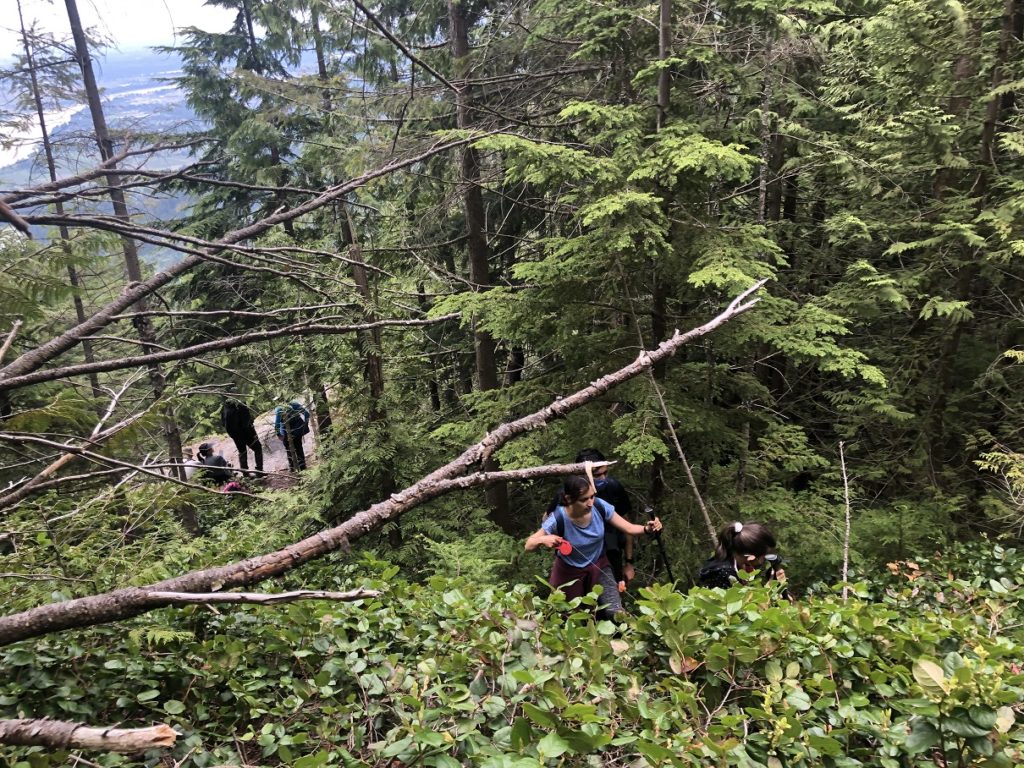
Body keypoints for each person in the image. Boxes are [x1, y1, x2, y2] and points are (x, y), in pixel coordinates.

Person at [525, 474, 663, 618]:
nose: (590, 503)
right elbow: (529, 545)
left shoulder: (599, 506)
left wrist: (647, 528)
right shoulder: (558, 518)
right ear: (568, 499)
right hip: (568, 570)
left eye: (592, 496)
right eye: (584, 499)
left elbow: (629, 528)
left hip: (599, 564)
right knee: (569, 616)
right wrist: (543, 539)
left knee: (615, 612)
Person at [576, 448, 634, 588]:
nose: (603, 478)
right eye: (597, 475)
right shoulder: (568, 493)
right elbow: (549, 521)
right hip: (580, 558)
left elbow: (627, 525)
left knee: (613, 598)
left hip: (611, 553)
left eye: (605, 473)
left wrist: (629, 563)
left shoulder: (613, 487)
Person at [697, 521, 788, 592]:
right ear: (750, 557)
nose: (765, 559)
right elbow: (733, 605)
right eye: (764, 556)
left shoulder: (738, 562)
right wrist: (769, 589)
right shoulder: (723, 573)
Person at [221, 398, 263, 476]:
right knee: (258, 448)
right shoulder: (241, 405)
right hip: (247, 434)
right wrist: (253, 433)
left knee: (242, 452)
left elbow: (223, 423)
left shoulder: (225, 407)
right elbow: (247, 421)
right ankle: (259, 471)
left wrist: (233, 435)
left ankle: (245, 474)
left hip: (236, 436)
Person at [274, 400, 311, 472]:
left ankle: (292, 468)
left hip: (285, 432)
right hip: (297, 430)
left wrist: (279, 434)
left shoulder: (279, 409)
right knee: (299, 447)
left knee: (289, 449)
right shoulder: (294, 404)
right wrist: (305, 424)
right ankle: (302, 467)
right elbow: (306, 414)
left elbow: (277, 424)